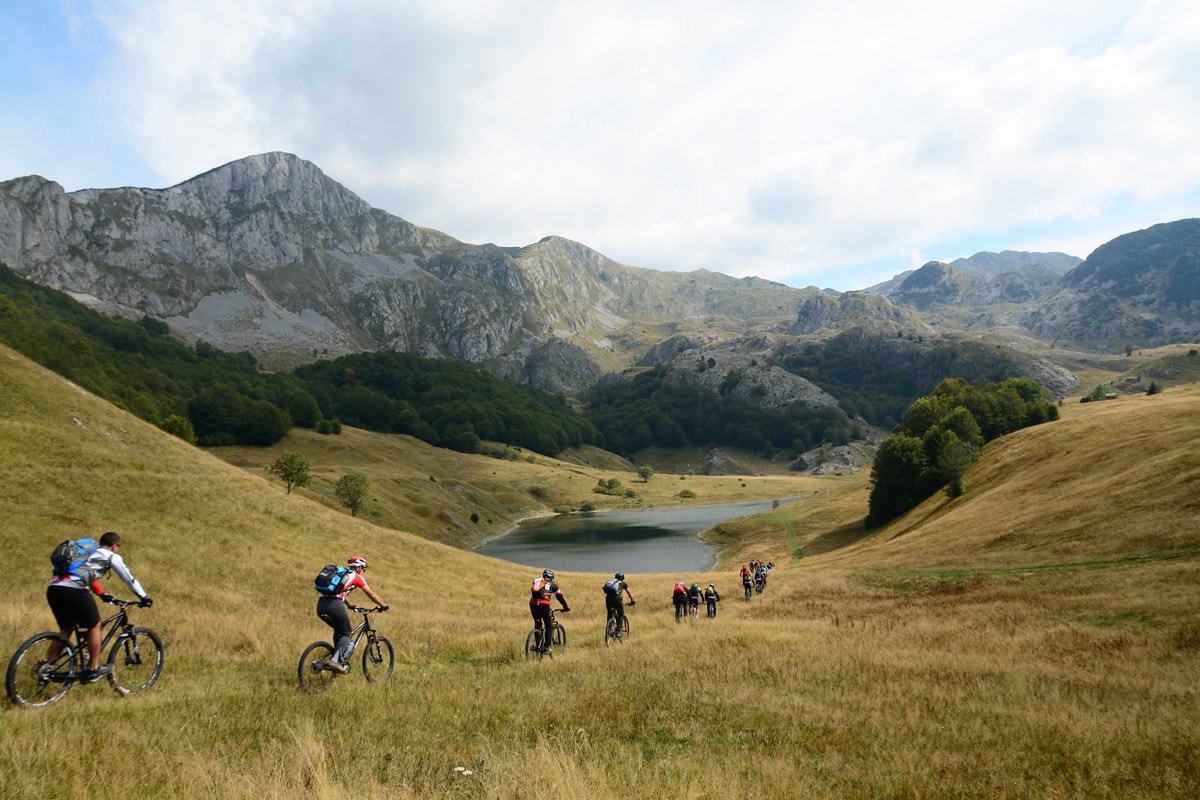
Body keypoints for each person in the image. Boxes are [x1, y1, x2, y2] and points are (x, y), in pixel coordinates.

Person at [45, 531, 153, 683]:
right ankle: (93, 669)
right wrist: (144, 597)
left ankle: (48, 669)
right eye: (118, 546)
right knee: (95, 626)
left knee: (66, 629)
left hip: (54, 588)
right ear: (115, 545)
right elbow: (127, 577)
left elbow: (83, 572)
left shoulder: (85, 553)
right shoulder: (110, 555)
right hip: (74, 590)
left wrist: (101, 594)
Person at [316, 556, 388, 674]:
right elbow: (372, 595)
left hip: (321, 605)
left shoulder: (342, 575)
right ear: (359, 568)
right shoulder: (357, 577)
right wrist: (383, 605)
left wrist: (349, 605)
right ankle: (335, 661)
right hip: (335, 605)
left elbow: (339, 592)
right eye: (363, 569)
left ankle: (333, 660)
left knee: (339, 631)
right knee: (346, 633)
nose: (363, 571)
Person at [530, 569, 569, 652]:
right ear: (552, 577)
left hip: (533, 604)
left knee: (538, 623)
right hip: (544, 605)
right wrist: (565, 607)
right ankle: (547, 647)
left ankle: (538, 646)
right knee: (549, 626)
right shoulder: (553, 584)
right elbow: (560, 597)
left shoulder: (537, 581)